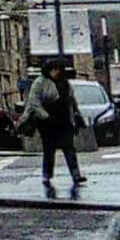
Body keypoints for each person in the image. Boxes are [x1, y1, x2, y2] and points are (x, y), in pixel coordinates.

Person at [27, 56, 81, 199]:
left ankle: (76, 174)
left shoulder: (65, 83)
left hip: (64, 120)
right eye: (55, 69)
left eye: (59, 69)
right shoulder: (40, 82)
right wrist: (45, 116)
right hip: (48, 122)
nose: (57, 72)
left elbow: (71, 102)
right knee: (49, 150)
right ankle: (47, 175)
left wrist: (75, 118)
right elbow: (34, 101)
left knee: (69, 148)